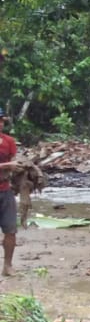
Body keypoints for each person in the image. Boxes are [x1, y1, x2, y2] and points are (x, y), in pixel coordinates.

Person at [0, 107, 20, 276]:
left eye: (0, 121)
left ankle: (7, 265)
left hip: (5, 190)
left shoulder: (9, 141)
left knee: (11, 230)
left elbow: (14, 163)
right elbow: (9, 165)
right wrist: (5, 166)